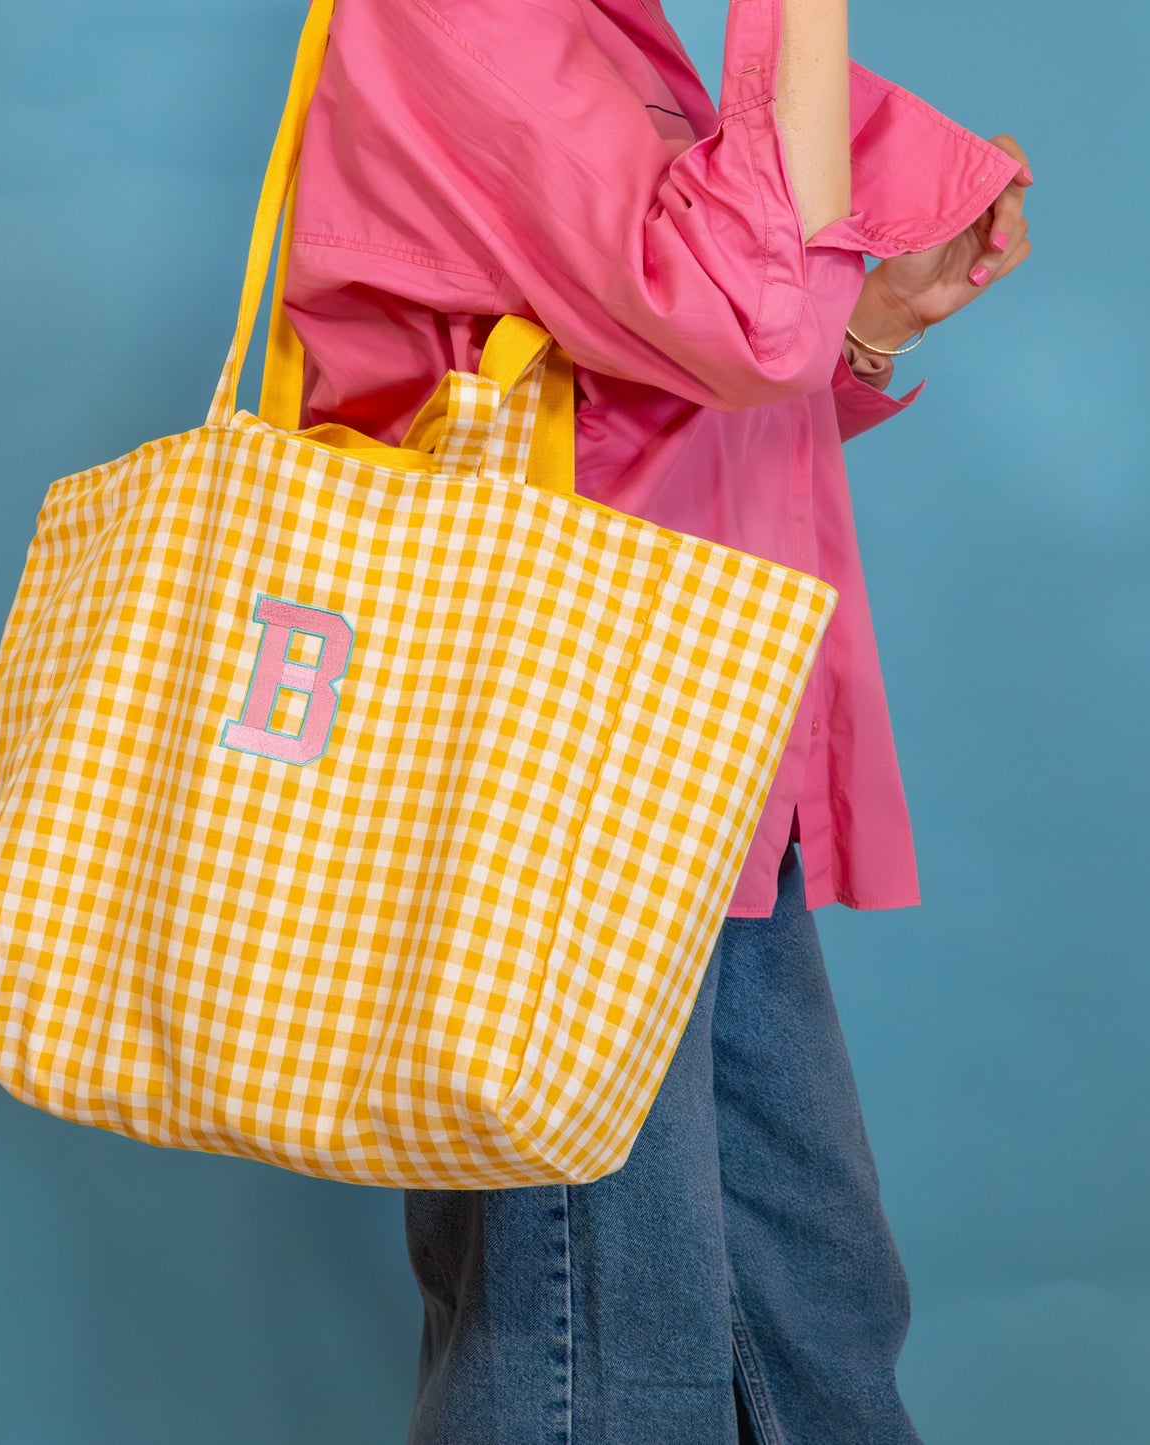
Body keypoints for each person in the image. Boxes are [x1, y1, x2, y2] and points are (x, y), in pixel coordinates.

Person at [278, 0, 1034, 1439]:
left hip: (696, 777)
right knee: (599, 1349)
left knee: (811, 1321)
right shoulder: (452, 16)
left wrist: (862, 321)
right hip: (558, 796)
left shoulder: (596, 33)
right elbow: (739, 323)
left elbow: (675, 381)